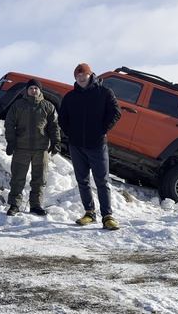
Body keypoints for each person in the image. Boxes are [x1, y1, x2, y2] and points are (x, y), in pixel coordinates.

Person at [58, 63, 121, 230]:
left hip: (97, 144)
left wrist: (102, 129)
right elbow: (62, 118)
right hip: (77, 145)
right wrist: (71, 133)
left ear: (90, 74)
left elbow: (116, 112)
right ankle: (89, 213)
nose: (80, 77)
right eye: (77, 75)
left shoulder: (104, 93)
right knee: (82, 181)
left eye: (83, 74)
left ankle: (107, 216)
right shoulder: (70, 97)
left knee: (102, 180)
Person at [4, 79, 61, 216]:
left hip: (41, 149)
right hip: (21, 148)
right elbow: (9, 124)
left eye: (36, 88)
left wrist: (56, 142)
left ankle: (36, 205)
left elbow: (54, 126)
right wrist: (11, 142)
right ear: (27, 90)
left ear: (40, 90)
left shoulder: (48, 106)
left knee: (39, 179)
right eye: (31, 88)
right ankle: (14, 205)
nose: (33, 91)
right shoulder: (18, 105)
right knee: (17, 178)